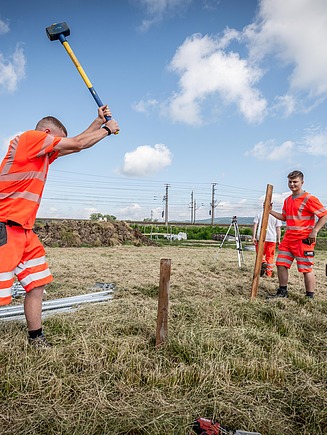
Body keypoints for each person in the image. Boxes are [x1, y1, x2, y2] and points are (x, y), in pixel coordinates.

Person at [0, 106, 119, 346]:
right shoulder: (29, 139)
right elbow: (76, 144)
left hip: (24, 231)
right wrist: (107, 129)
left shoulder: (40, 154)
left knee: (37, 283)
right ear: (46, 132)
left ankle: (36, 338)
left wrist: (96, 123)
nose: (58, 144)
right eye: (56, 139)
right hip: (4, 228)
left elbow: (76, 145)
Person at [269, 170, 327, 299]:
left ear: (302, 182)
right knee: (281, 264)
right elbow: (284, 217)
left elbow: (324, 215)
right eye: (290, 181)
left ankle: (309, 296)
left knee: (306, 269)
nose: (292, 184)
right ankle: (282, 292)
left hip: (304, 240)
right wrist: (270, 211)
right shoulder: (288, 200)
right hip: (288, 239)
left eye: (295, 182)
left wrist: (315, 231)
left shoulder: (309, 198)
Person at [253, 203, 281, 277]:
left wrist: (254, 237)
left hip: (261, 237)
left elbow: (255, 225)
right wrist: (278, 239)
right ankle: (269, 273)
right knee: (270, 256)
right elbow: (278, 229)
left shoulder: (259, 214)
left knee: (260, 254)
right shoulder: (275, 216)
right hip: (272, 239)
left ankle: (263, 262)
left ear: (263, 206)